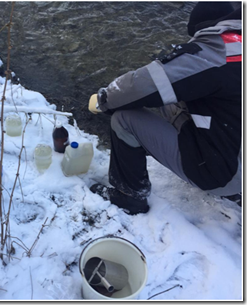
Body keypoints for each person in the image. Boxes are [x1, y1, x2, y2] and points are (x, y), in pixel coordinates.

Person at [88, 2, 241, 215]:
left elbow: (144, 85)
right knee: (173, 98)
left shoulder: (217, 50)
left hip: (224, 175)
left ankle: (130, 195)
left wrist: (105, 100)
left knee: (123, 118)